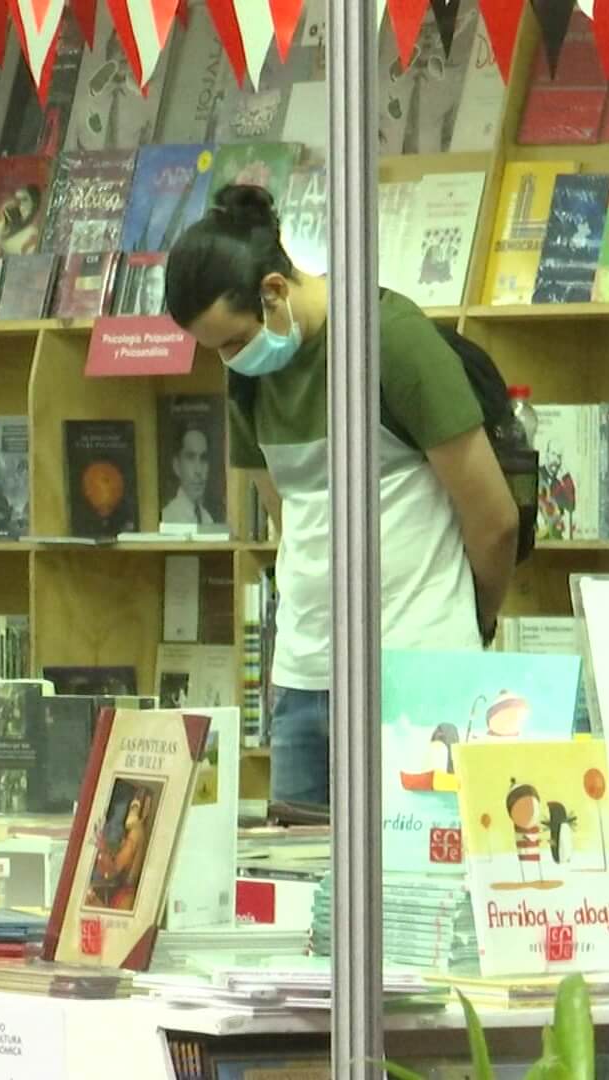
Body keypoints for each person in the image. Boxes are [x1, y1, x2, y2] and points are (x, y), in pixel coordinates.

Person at [164, 184, 518, 807]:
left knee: (421, 886)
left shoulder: (392, 341)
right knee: (302, 890)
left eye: (232, 340)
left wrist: (474, 623)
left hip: (419, 672)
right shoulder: (250, 381)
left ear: (274, 290)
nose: (226, 360)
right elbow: (290, 516)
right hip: (304, 679)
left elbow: (494, 520)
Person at [160, 422, 219, 527]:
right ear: (177, 466)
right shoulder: (167, 519)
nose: (198, 471)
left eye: (203, 458)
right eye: (190, 458)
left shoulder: (207, 519)